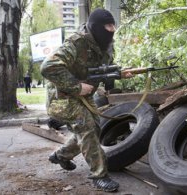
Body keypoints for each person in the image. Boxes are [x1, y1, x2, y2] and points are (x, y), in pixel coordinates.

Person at [40, 8, 132, 192]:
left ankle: (61, 155)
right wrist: (77, 87)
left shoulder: (105, 45)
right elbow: (48, 67)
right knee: (87, 125)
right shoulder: (76, 43)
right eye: (107, 26)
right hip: (61, 97)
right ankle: (99, 176)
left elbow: (101, 71)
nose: (112, 29)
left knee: (93, 128)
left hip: (82, 97)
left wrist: (118, 74)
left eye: (113, 25)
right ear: (96, 27)